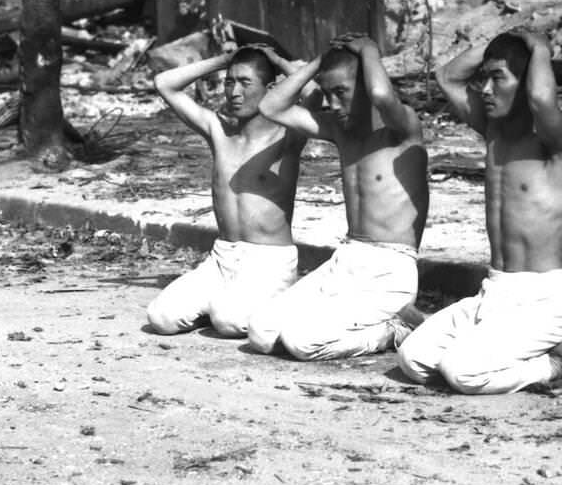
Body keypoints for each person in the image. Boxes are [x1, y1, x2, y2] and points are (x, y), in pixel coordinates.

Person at [398, 30, 562, 393]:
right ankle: (503, 355)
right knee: (413, 359)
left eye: (498, 78)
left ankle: (557, 363)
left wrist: (537, 48)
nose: (485, 89)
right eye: (484, 78)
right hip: (493, 293)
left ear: (526, 81)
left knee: (461, 373)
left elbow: (540, 98)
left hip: (541, 301)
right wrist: (501, 41)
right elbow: (447, 76)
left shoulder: (555, 141)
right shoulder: (494, 133)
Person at [248, 33, 428, 359]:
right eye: (327, 93)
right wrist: (321, 59)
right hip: (345, 261)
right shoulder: (341, 131)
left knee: (302, 341)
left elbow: (381, 93)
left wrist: (370, 50)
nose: (331, 104)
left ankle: (394, 329)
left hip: (389, 269)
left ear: (364, 86)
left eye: (341, 92)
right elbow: (270, 106)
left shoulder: (401, 129)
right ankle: (366, 323)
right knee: (260, 331)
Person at [146, 45, 308, 337]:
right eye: (229, 82)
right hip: (221, 258)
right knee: (161, 317)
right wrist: (224, 60)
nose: (234, 92)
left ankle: (272, 300)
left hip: (268, 261)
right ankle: (229, 300)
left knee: (229, 320)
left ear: (270, 89)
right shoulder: (217, 130)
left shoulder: (286, 134)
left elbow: (314, 93)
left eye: (245, 83)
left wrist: (278, 61)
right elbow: (164, 84)